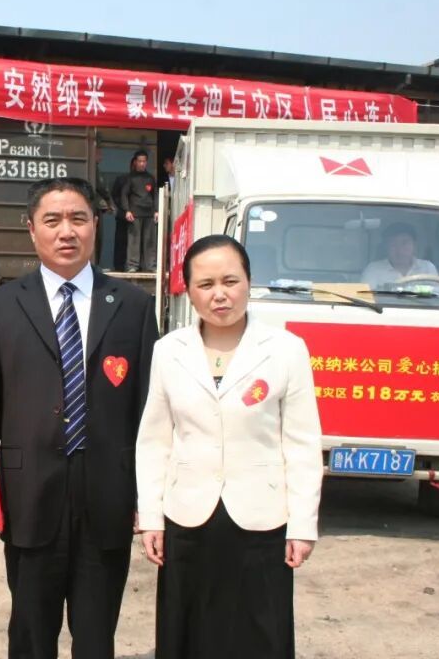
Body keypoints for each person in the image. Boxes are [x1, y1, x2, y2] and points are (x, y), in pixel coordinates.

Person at [0, 176, 159, 659]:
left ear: (95, 224)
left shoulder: (134, 306)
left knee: (97, 637)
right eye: (52, 220)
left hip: (108, 495)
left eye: (78, 218)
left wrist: (148, 495)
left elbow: (149, 410)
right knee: (30, 635)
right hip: (28, 495)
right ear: (31, 229)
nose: (66, 231)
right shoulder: (0, 306)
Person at [136, 234, 323, 658]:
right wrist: (151, 518)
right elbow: (154, 441)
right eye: (205, 284)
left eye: (230, 281)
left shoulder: (286, 350)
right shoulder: (168, 351)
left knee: (258, 634)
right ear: (188, 291)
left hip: (261, 519)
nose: (219, 294)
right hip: (188, 517)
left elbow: (301, 443)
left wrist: (302, 524)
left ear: (248, 282)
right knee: (188, 633)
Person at [360, 222, 439, 288]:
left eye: (405, 243)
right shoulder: (373, 270)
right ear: (386, 247)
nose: (399, 249)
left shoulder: (427, 267)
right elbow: (365, 299)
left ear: (414, 245)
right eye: (393, 244)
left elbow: (438, 295)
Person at [120, 150, 158, 272]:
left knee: (150, 241)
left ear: (146, 162)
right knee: (134, 241)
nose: (142, 163)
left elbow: (155, 195)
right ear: (135, 162)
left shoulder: (150, 178)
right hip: (134, 214)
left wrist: (156, 211)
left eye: (144, 161)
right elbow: (124, 195)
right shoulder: (130, 178)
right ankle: (132, 265)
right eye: (140, 161)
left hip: (149, 214)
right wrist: (127, 210)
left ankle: (151, 265)